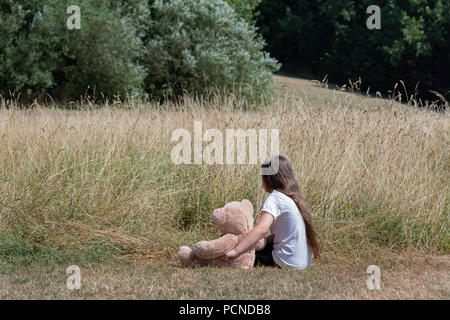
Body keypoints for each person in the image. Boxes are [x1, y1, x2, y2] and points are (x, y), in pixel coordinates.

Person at [221, 155, 321, 269]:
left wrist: (235, 250)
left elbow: (262, 229)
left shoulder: (275, 198)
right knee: (254, 247)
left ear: (268, 177)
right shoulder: (293, 199)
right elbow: (284, 234)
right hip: (302, 263)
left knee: (245, 256)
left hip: (284, 262)